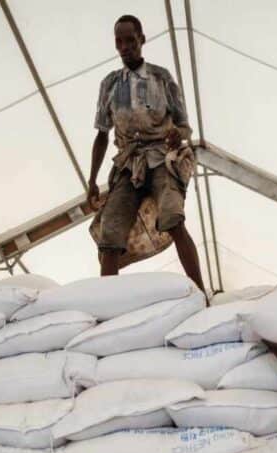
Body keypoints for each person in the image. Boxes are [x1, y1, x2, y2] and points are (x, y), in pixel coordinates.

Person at [87, 14, 206, 293]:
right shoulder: (109, 84)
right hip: (129, 166)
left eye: (130, 40)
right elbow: (102, 134)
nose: (125, 46)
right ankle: (108, 305)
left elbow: (184, 125)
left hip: (163, 158)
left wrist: (178, 134)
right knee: (110, 234)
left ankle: (201, 293)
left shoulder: (161, 77)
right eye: (119, 41)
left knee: (173, 217)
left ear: (142, 39)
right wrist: (92, 181)